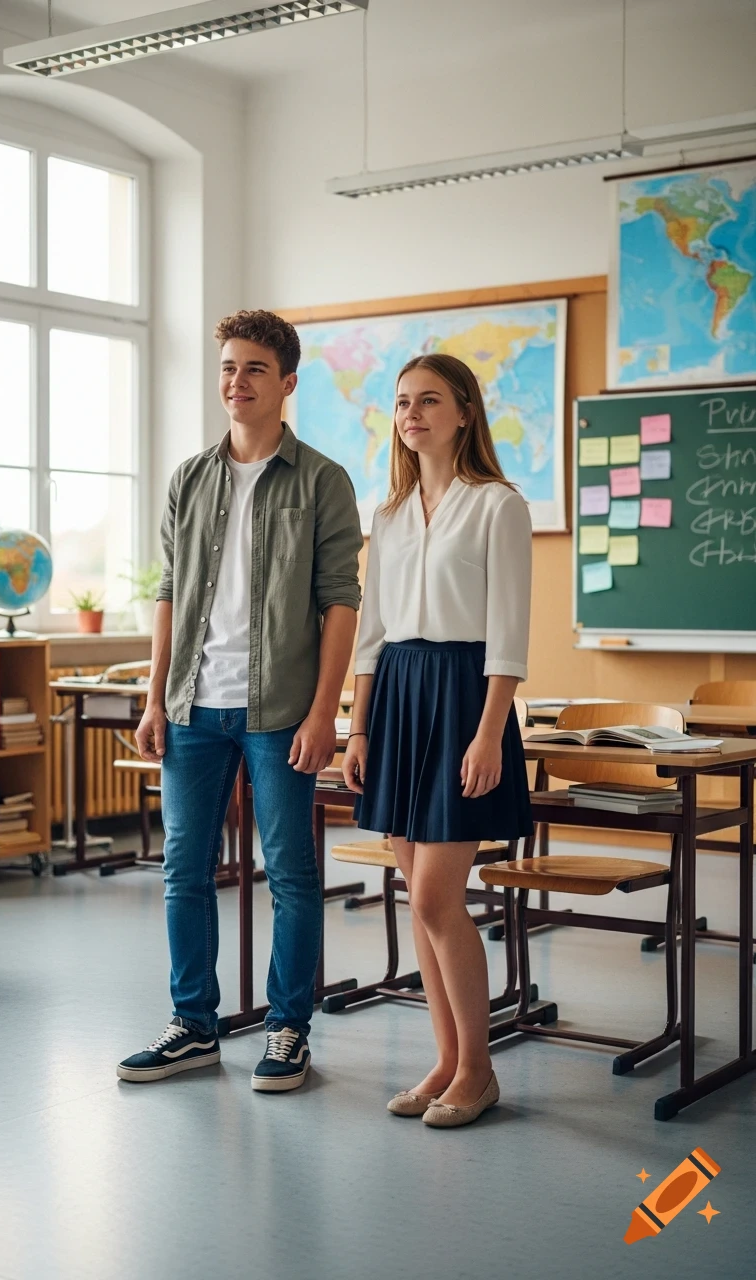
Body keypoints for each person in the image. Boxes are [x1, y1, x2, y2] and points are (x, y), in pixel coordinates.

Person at [117, 309, 363, 1093]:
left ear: (287, 382)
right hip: (192, 707)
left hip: (281, 709)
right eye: (227, 367)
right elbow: (166, 595)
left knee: (289, 873)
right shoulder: (189, 478)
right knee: (183, 873)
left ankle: (289, 1028)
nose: (237, 381)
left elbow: (340, 603)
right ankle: (194, 1025)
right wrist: (154, 698)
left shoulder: (322, 480)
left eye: (254, 368)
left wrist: (325, 712)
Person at [341, 353, 533, 1128]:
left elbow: (507, 636)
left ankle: (480, 1071)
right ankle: (447, 1060)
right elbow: (372, 631)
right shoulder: (386, 515)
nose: (412, 414)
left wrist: (489, 734)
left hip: (462, 701)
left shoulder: (498, 506)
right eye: (401, 403)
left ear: (464, 412)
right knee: (418, 905)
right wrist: (358, 726)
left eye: (429, 401)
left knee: (435, 896)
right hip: (397, 699)